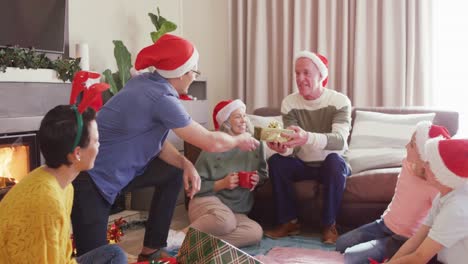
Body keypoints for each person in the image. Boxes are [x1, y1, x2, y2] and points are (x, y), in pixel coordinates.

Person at [71, 34, 259, 262]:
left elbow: (155, 142)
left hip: (118, 174)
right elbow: (211, 142)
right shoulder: (161, 99)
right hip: (93, 181)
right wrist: (240, 139)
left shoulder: (144, 82)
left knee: (173, 171)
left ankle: (151, 250)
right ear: (180, 73)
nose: (193, 77)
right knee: (97, 258)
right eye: (193, 72)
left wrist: (185, 162)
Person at [0, 72, 127, 263]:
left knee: (114, 254)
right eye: (96, 141)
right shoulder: (47, 201)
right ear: (77, 153)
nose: (100, 146)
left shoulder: (63, 184)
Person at [263, 51, 352, 244]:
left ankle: (329, 225)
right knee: (277, 161)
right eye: (297, 73)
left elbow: (340, 141)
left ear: (321, 76)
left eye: (306, 73)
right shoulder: (289, 103)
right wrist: (282, 148)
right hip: (303, 164)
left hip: (331, 164)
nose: (300, 78)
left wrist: (307, 137)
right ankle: (289, 222)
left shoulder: (339, 101)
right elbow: (292, 147)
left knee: (335, 162)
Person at [335, 121, 450, 263]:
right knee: (340, 243)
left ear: (424, 156)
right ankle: (379, 245)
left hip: (404, 238)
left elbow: (434, 224)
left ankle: (384, 251)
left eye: (412, 145)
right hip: (384, 224)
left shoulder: (434, 185)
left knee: (352, 256)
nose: (406, 146)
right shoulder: (407, 162)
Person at [185, 99, 268, 247]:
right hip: (206, 203)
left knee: (255, 233)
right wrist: (221, 184)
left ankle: (200, 245)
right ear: (226, 122)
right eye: (237, 116)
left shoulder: (256, 145)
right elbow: (192, 187)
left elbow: (263, 174)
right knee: (225, 221)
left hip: (235, 210)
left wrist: (258, 179)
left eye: (244, 115)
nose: (243, 120)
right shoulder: (214, 146)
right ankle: (180, 238)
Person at [387, 138, 468, 264]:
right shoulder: (445, 193)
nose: (424, 165)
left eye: (430, 163)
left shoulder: (457, 208)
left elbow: (419, 258)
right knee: (395, 246)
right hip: (439, 258)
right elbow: (416, 239)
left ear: (441, 174)